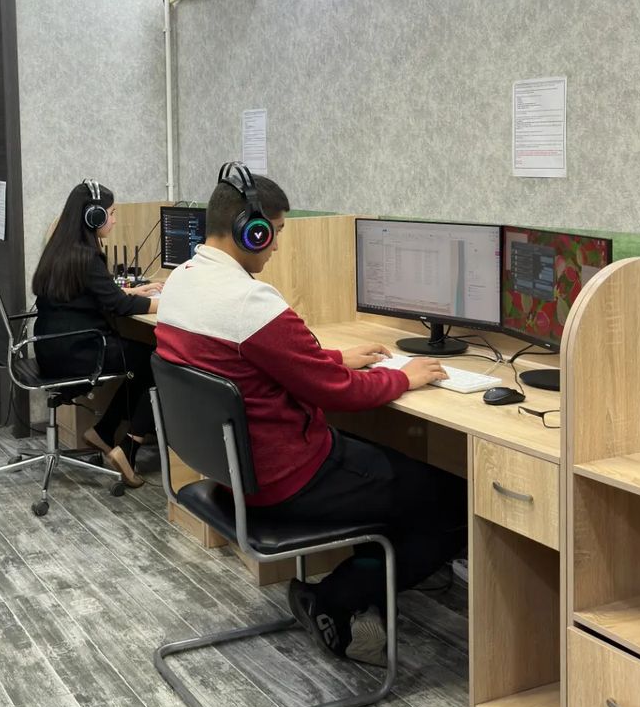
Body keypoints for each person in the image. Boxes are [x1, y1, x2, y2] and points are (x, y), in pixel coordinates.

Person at [155, 163, 467, 666]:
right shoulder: (249, 301)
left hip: (234, 473)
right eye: (274, 233)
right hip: (288, 479)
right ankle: (336, 599)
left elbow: (262, 361)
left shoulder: (182, 283)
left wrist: (334, 357)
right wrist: (403, 378)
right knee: (454, 500)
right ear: (250, 231)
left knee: (395, 466)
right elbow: (334, 392)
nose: (276, 246)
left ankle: (381, 575)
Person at [32, 180, 161, 488]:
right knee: (157, 361)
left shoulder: (61, 249)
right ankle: (128, 448)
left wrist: (131, 291)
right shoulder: (88, 256)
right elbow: (118, 306)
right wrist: (164, 301)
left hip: (52, 348)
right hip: (78, 352)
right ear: (94, 217)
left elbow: (93, 295)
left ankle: (104, 431)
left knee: (141, 359)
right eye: (111, 213)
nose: (114, 220)